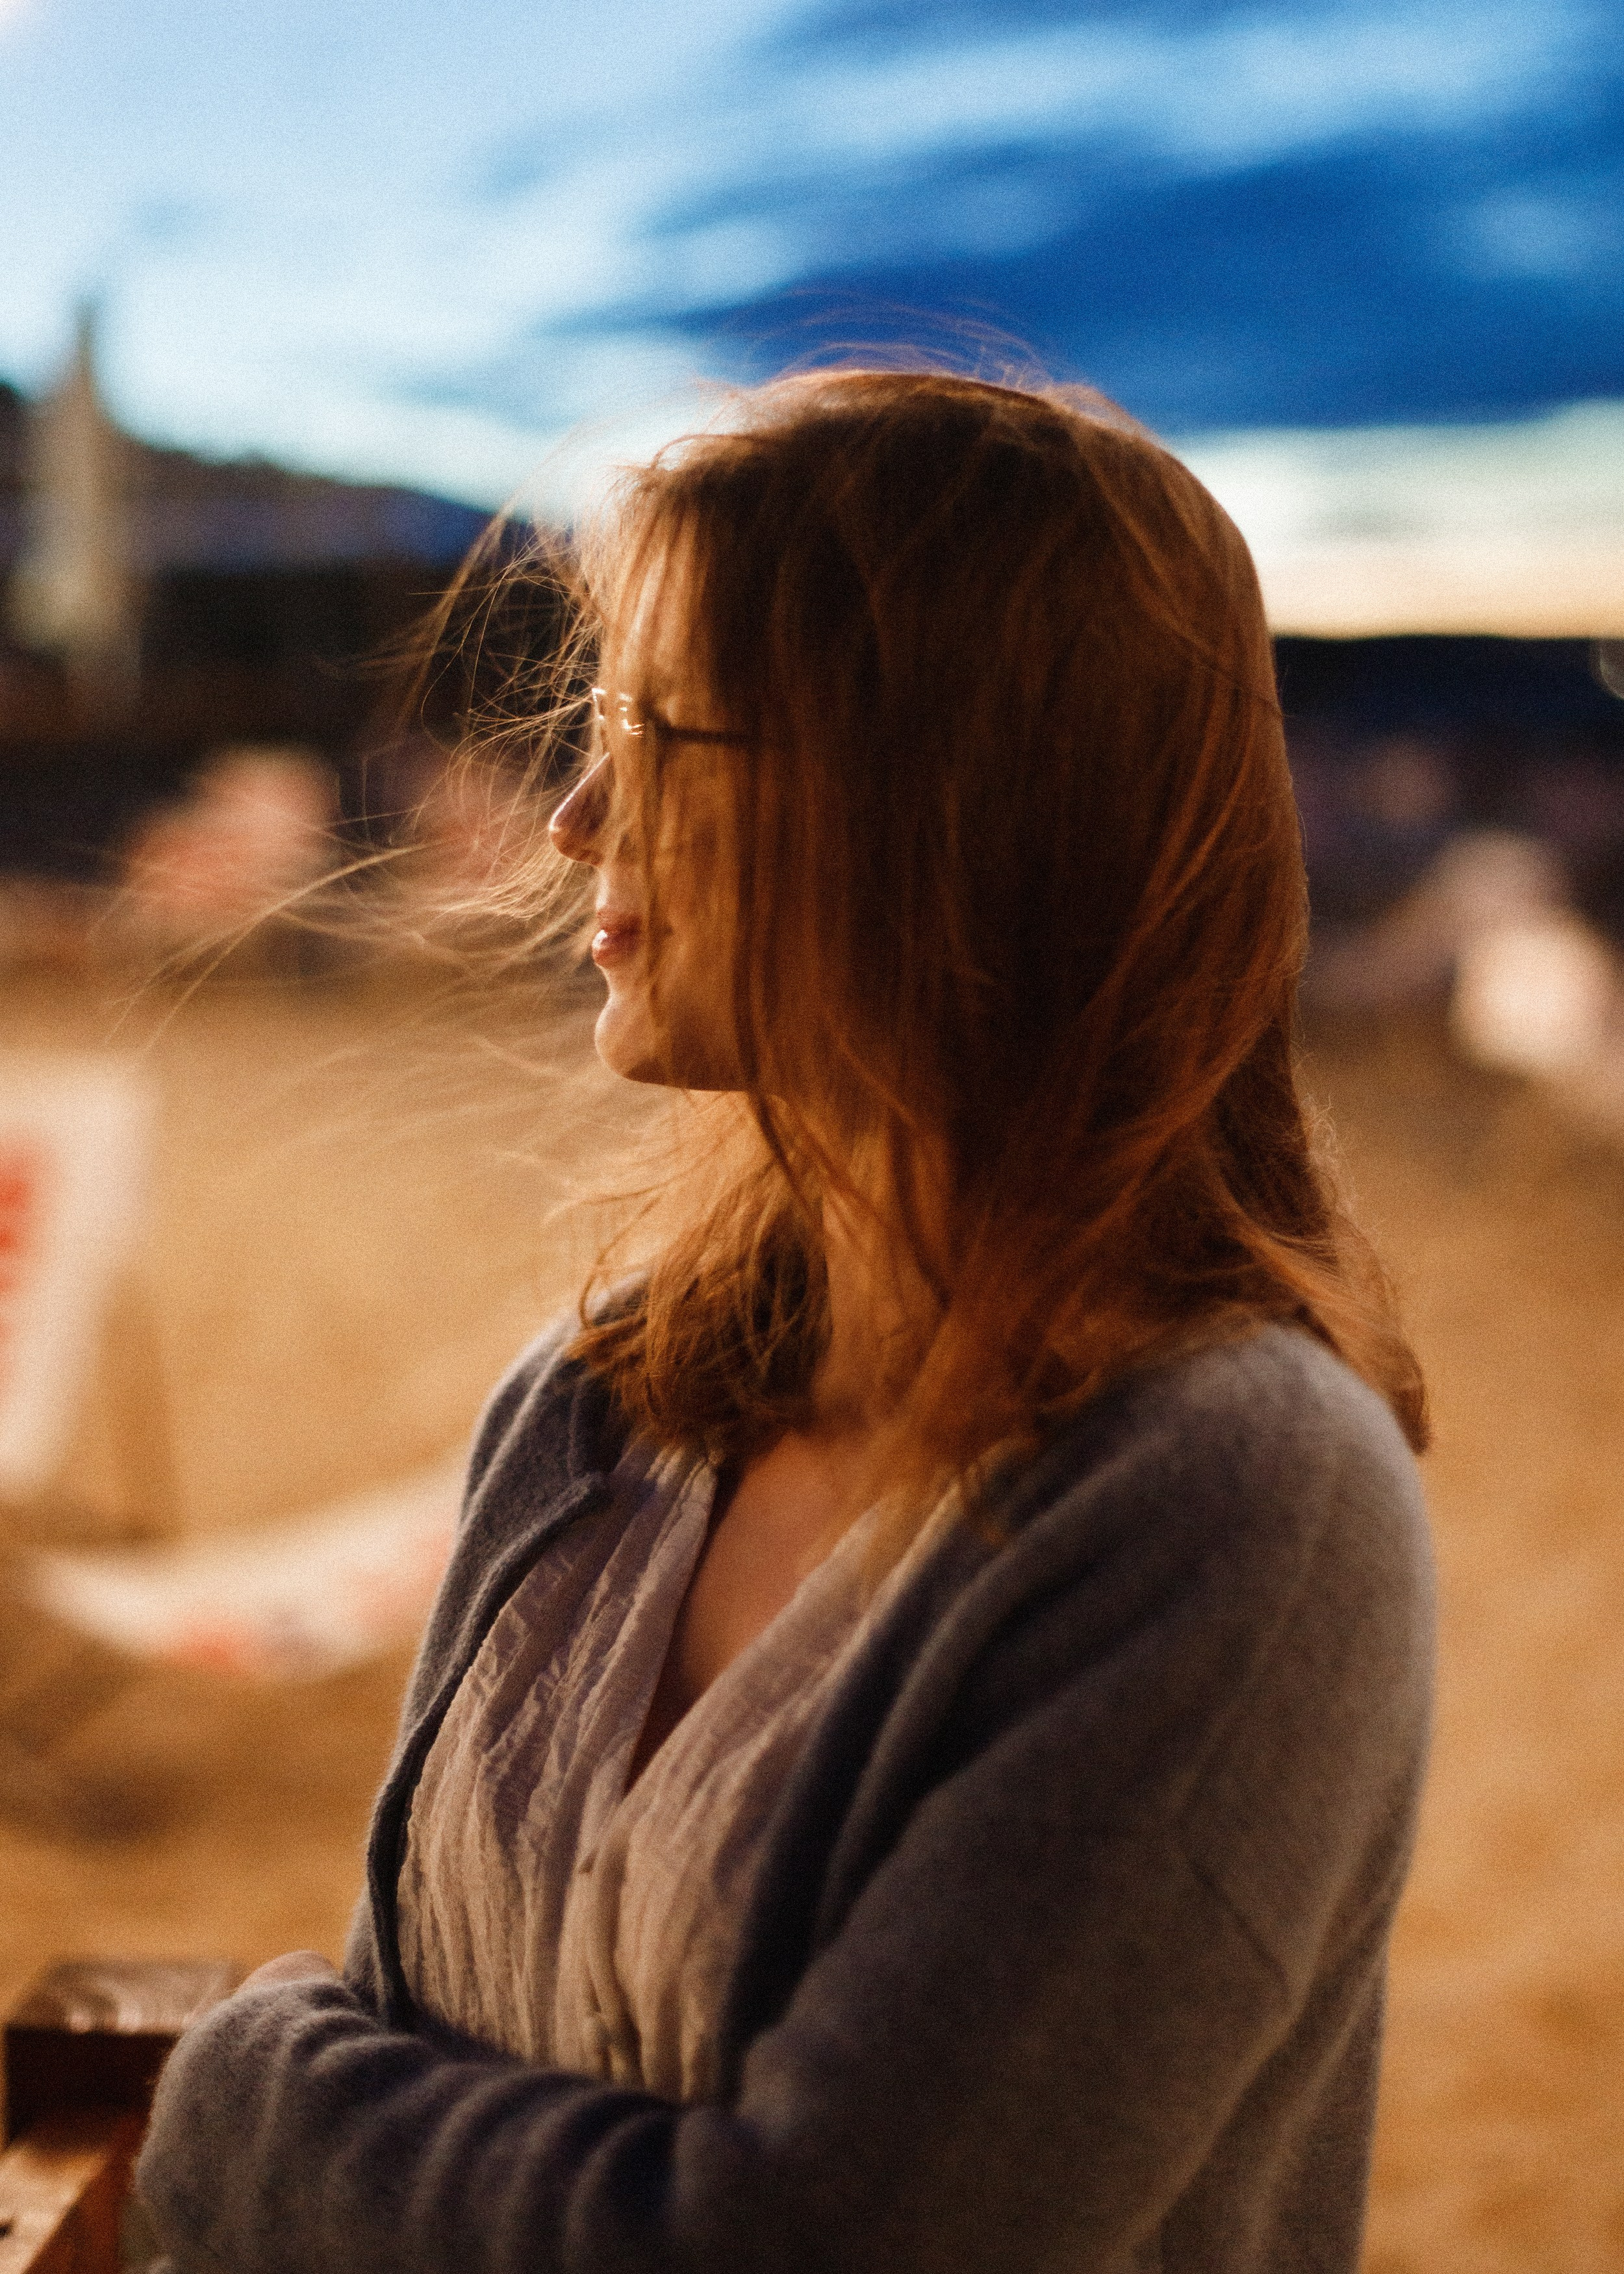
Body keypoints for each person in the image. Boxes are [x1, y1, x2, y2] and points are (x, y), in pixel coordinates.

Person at [136, 370, 1433, 2274]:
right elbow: (425, 2027)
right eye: (595, 729)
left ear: (946, 800)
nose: (578, 820)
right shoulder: (592, 1403)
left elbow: (817, 2241)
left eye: (663, 734)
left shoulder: (1232, 1499)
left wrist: (243, 2096)